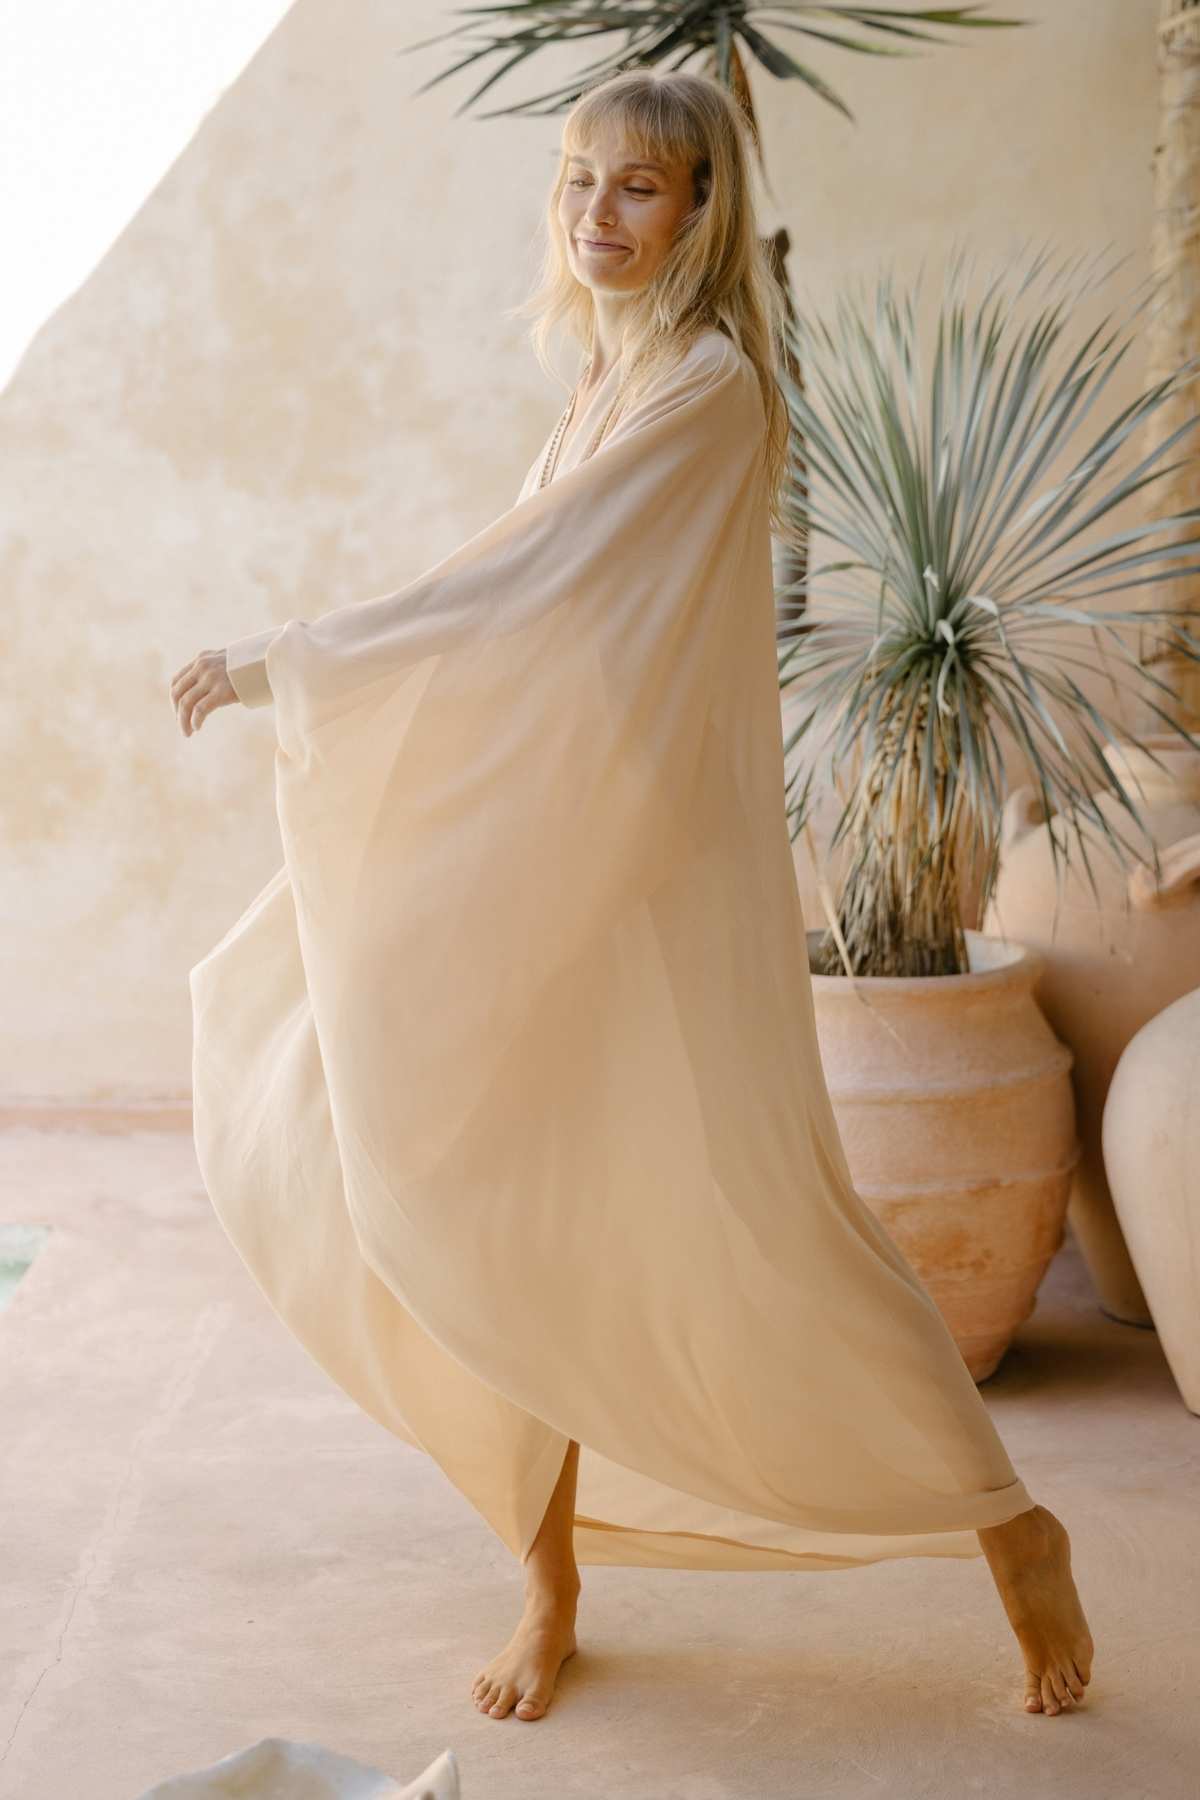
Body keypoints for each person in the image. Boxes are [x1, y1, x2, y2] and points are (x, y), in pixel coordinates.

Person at [170, 69, 1094, 1727]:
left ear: (705, 209)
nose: (599, 215)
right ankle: (550, 1578)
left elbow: (518, 581)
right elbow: (517, 591)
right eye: (578, 183)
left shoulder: (709, 390)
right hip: (536, 831)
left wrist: (283, 664)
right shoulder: (612, 370)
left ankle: (1008, 1528)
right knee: (473, 1188)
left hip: (637, 871)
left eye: (641, 189)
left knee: (769, 1215)